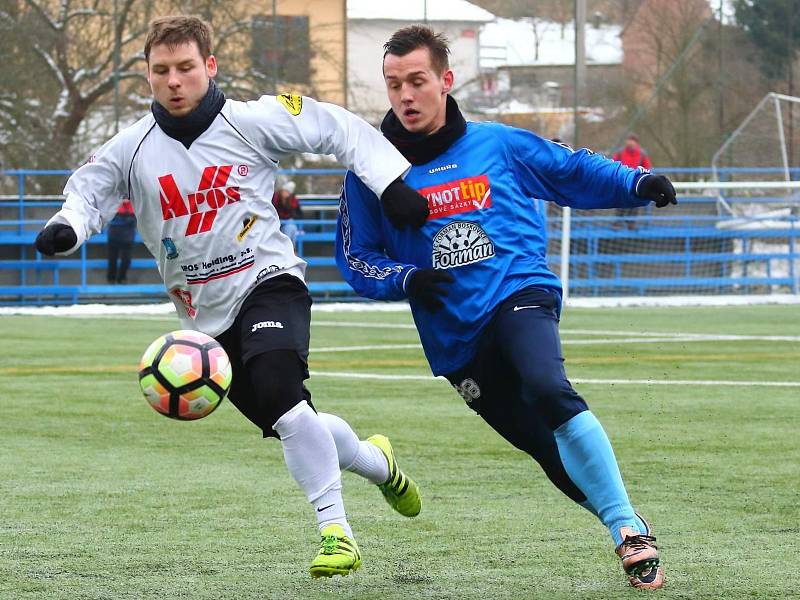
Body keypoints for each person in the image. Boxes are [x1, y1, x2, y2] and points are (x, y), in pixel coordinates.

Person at [34, 15, 429, 579]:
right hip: (202, 319)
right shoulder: (130, 148)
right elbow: (88, 191)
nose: (175, 81)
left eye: (186, 68)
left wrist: (390, 181)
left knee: (279, 390)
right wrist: (69, 225)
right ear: (146, 74)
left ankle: (335, 533)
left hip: (270, 282)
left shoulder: (252, 119)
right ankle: (377, 462)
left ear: (210, 66)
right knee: (294, 419)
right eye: (162, 70)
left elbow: (337, 128)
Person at [335, 26, 677, 590]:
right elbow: (355, 257)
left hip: (519, 293)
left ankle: (625, 531)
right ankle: (626, 523)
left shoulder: (499, 144)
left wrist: (636, 182)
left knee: (548, 388)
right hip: (456, 342)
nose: (406, 95)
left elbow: (572, 169)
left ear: (445, 81)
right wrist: (408, 277)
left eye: (417, 81)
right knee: (548, 452)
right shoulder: (368, 171)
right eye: (394, 85)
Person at [613, 135, 653, 229]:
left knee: (635, 203)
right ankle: (617, 224)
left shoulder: (642, 154)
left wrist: (644, 179)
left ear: (636, 142)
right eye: (628, 140)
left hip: (635, 182)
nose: (630, 143)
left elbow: (647, 167)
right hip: (622, 181)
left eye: (632, 141)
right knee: (620, 202)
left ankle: (631, 224)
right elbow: (614, 164)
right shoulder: (620, 152)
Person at [106, 198, 137, 283]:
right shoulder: (114, 202)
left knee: (125, 259)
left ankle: (120, 278)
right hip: (116, 235)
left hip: (126, 236)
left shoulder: (132, 202)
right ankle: (113, 279)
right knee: (113, 258)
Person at [271, 181, 303, 248]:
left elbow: (299, 214)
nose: (285, 193)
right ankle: (288, 249)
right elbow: (273, 210)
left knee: (291, 227)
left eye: (287, 191)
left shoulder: (293, 200)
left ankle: (290, 249)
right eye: (284, 190)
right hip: (275, 221)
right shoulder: (276, 197)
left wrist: (290, 214)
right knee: (290, 226)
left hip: (287, 222)